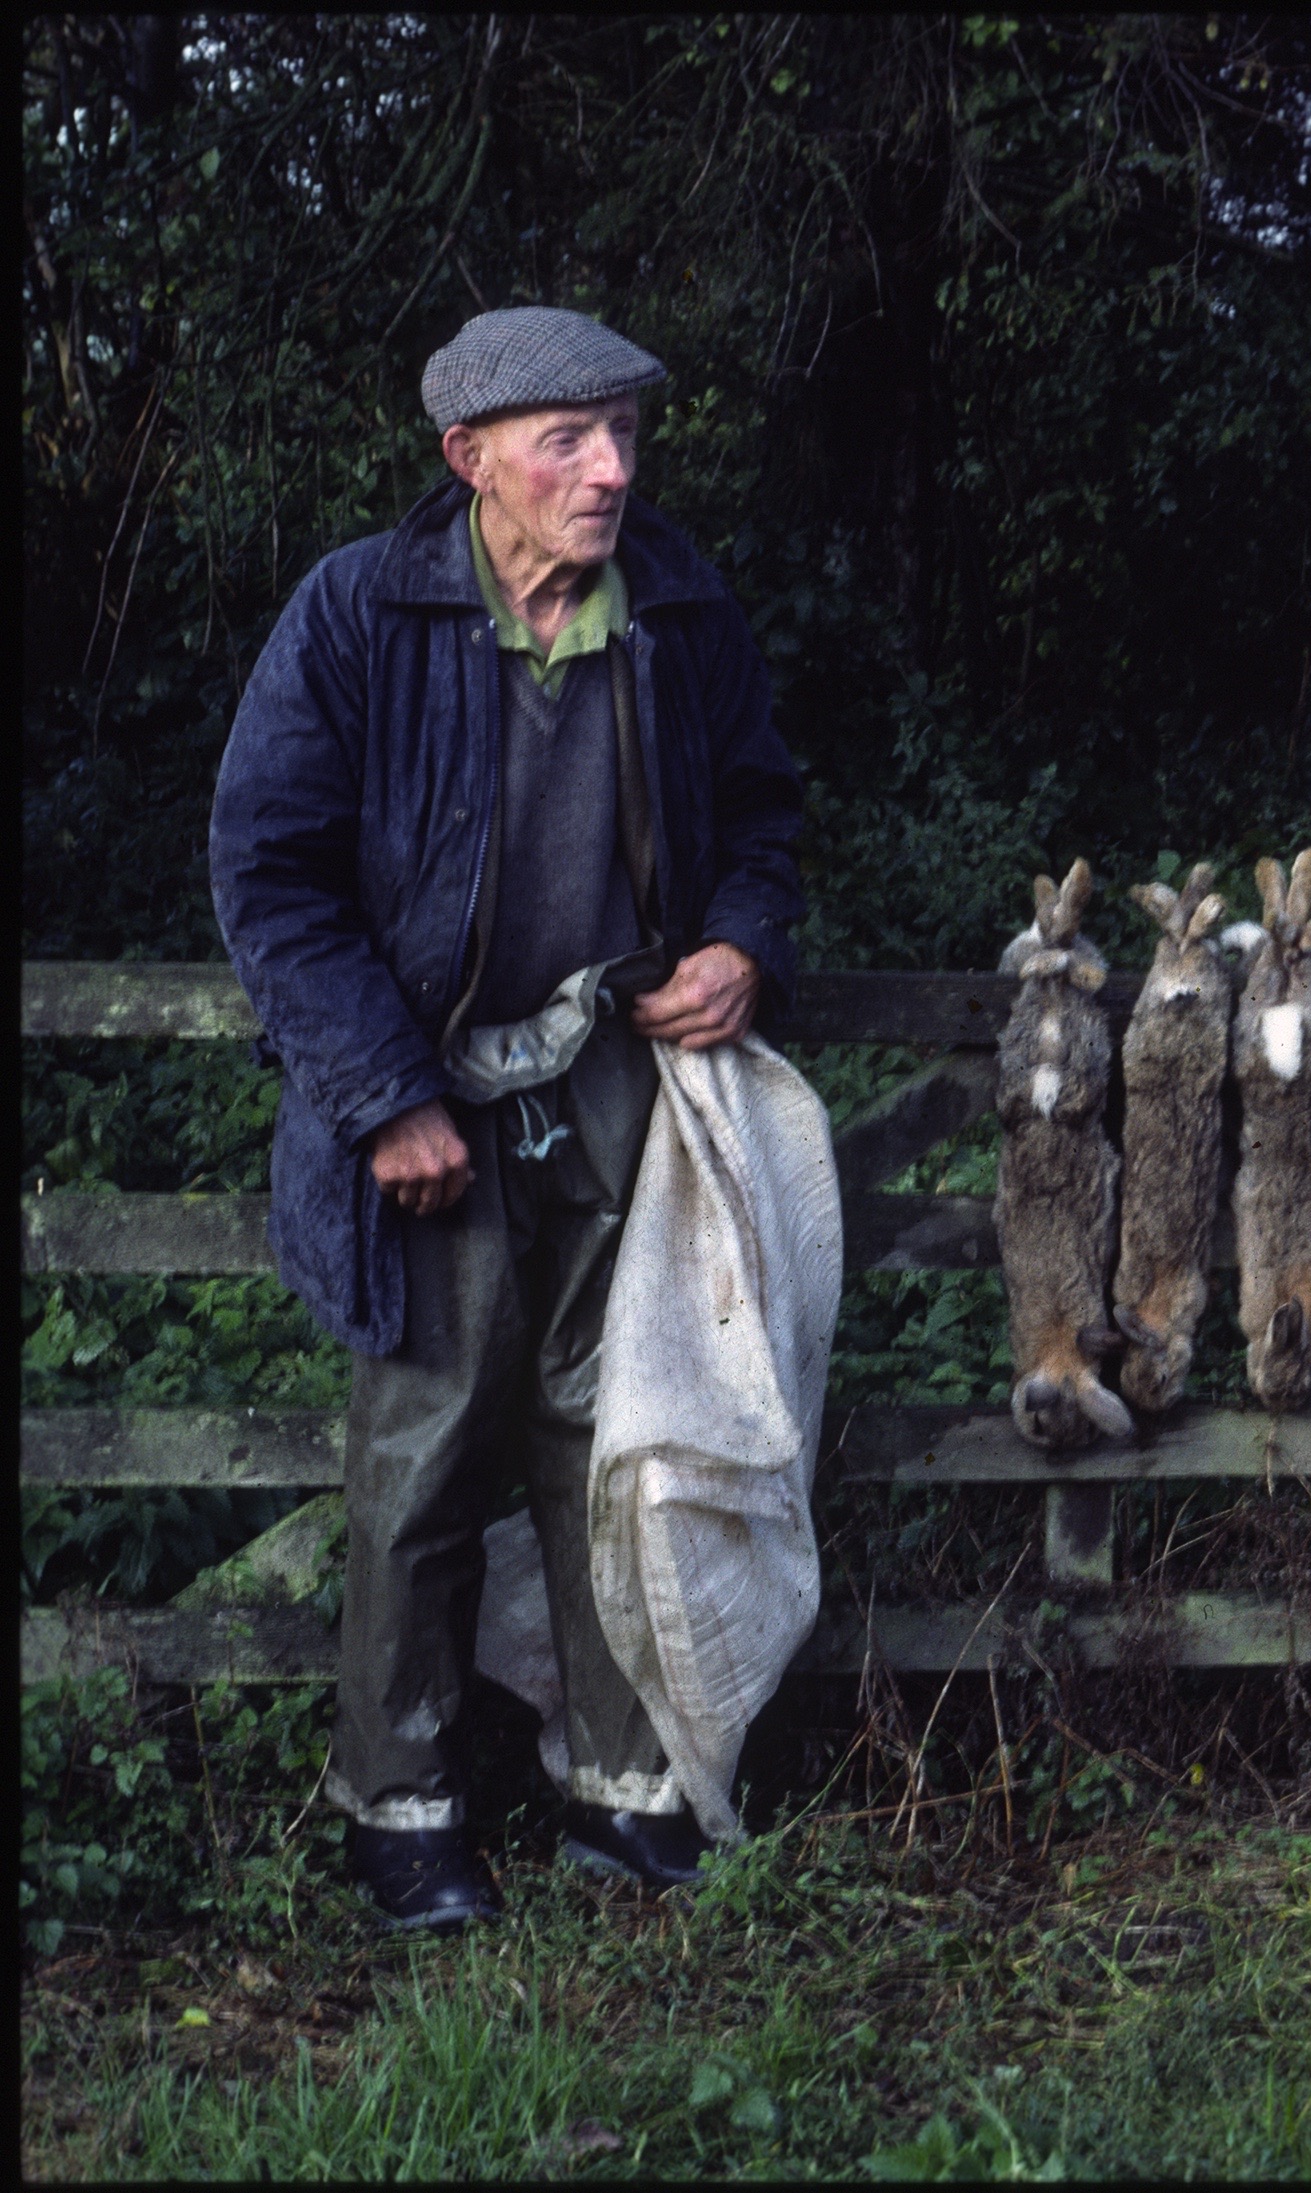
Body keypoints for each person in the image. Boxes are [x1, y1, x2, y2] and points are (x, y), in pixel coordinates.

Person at [209, 306, 809, 1929]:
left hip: (620, 1084)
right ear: (469, 460)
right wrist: (382, 1093)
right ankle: (400, 1807)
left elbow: (763, 808)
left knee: (617, 1443)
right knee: (421, 1455)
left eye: (623, 433)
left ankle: (621, 1784)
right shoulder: (361, 609)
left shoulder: (676, 602)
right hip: (430, 1103)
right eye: (568, 439)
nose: (610, 469)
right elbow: (266, 871)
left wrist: (744, 940)